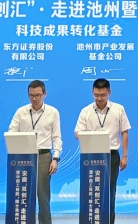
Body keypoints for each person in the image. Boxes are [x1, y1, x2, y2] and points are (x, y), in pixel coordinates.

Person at [75, 78, 131, 224]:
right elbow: (77, 133)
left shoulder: (118, 109)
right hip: (90, 156)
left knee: (109, 192)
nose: (99, 98)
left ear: (109, 93)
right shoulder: (86, 111)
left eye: (103, 95)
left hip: (111, 156)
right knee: (90, 191)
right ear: (92, 92)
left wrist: (124, 156)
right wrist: (93, 137)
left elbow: (125, 132)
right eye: (96, 95)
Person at [8, 80, 63, 224]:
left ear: (44, 94)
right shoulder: (21, 112)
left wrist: (55, 158)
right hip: (23, 156)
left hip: (43, 156)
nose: (34, 98)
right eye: (31, 95)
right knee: (23, 194)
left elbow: (56, 137)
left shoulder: (52, 112)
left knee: (43, 196)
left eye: (38, 95)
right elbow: (11, 132)